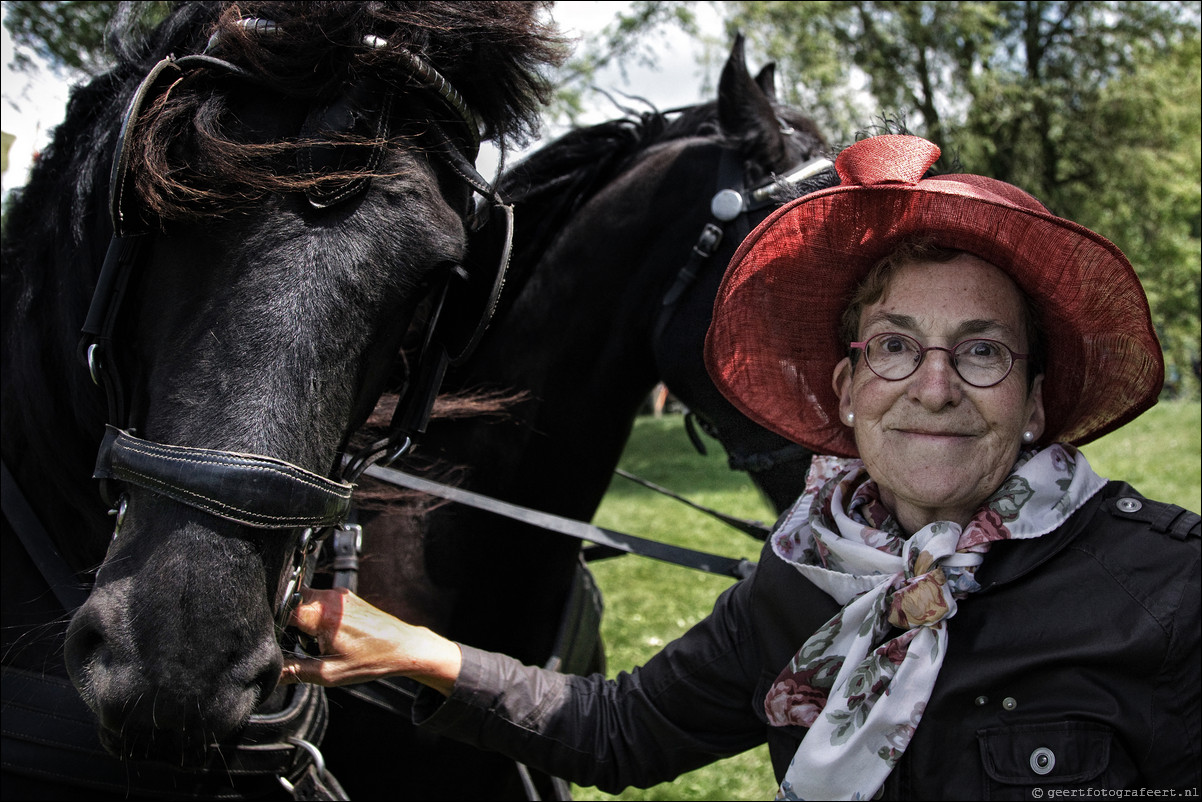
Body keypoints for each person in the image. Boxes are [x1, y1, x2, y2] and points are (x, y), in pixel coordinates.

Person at [281, 134, 1200, 800]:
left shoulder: (1169, 593)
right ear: (845, 388)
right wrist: (416, 650)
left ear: (1036, 400)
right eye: (894, 346)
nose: (932, 386)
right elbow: (621, 731)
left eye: (983, 351)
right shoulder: (803, 577)